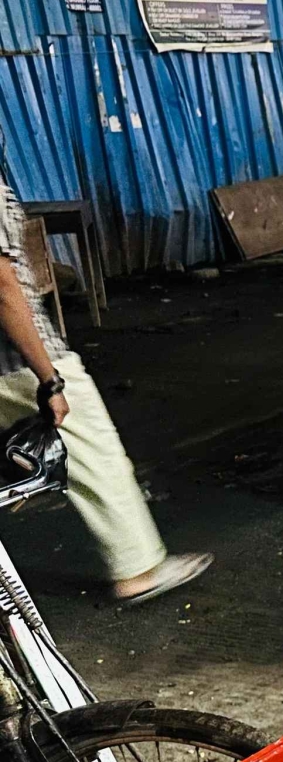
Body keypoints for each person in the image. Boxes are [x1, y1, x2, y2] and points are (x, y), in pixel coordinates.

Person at [0, 184, 212, 606]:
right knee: (97, 455)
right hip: (17, 359)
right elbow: (3, 286)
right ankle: (138, 570)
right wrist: (50, 379)